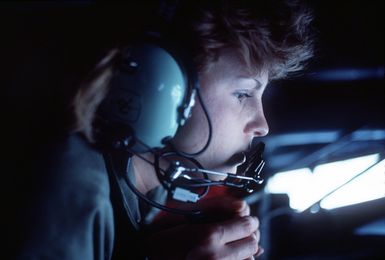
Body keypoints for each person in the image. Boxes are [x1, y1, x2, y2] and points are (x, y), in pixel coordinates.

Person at [16, 0, 314, 259]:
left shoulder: (149, 190)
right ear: (162, 78)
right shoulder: (71, 187)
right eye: (243, 94)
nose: (262, 126)